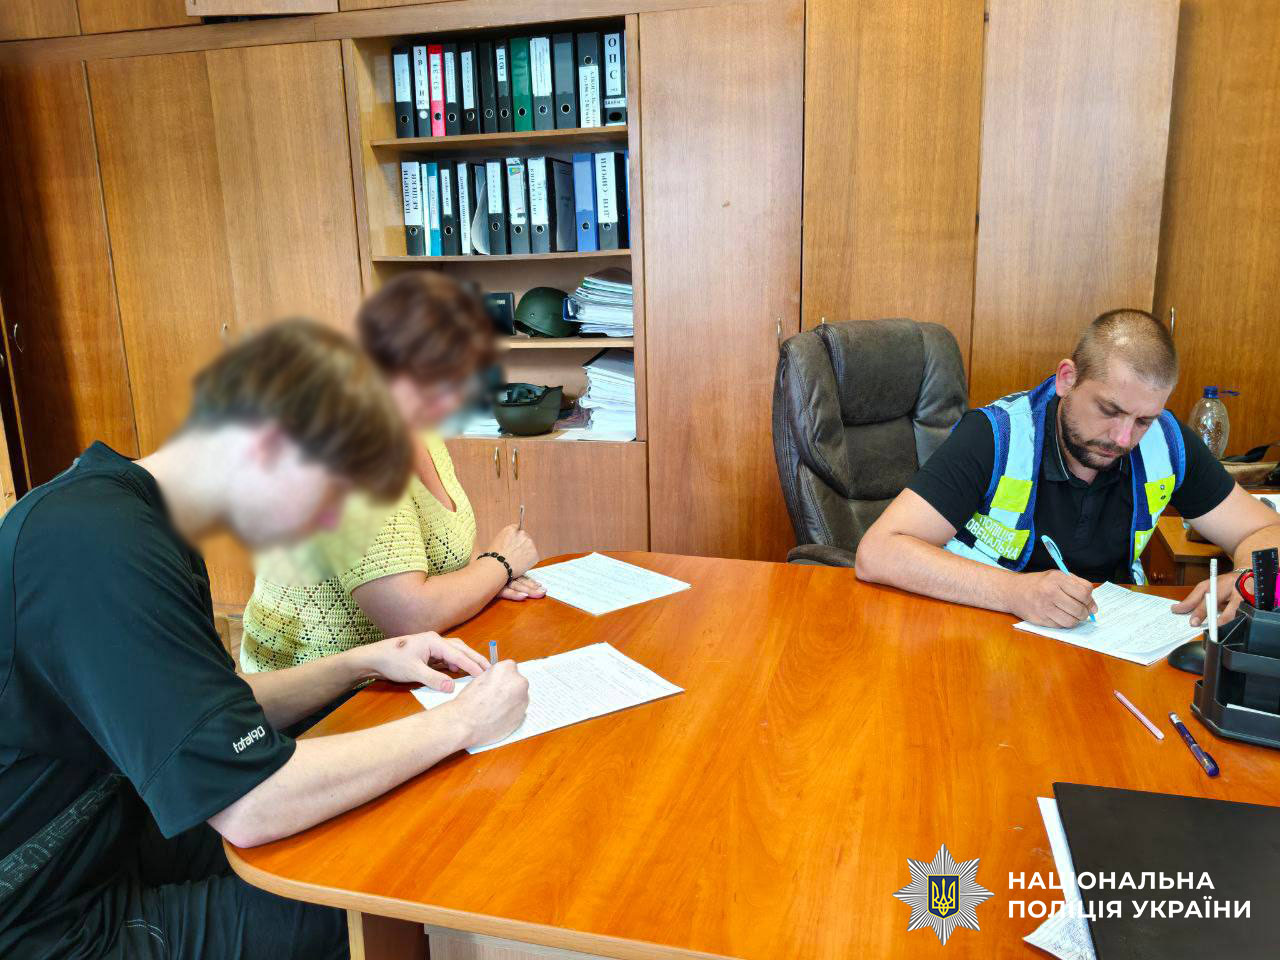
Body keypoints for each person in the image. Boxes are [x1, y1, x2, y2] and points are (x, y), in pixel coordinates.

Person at [0, 320, 530, 959]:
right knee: (365, 906)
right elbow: (251, 805)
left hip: (120, 831)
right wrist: (463, 722)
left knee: (376, 831)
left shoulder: (132, 519)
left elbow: (208, 713)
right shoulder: (97, 549)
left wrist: (360, 662)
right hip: (48, 919)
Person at [855, 309, 1280, 628]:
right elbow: (878, 552)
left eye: (1143, 420)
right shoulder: (995, 435)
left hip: (1104, 644)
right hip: (979, 629)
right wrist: (1013, 592)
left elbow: (1265, 530)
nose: (1123, 438)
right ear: (1067, 379)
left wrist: (1247, 576)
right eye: (1109, 410)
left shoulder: (1167, 442)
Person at [241, 273, 544, 674]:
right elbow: (408, 615)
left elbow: (449, 549)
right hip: (319, 689)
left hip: (401, 664)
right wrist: (500, 564)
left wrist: (487, 578)